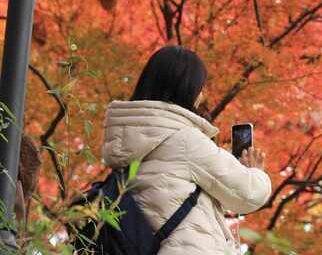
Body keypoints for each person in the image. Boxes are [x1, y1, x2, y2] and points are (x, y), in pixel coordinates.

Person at [101, 46, 271, 255]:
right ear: (187, 89)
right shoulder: (185, 140)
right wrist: (256, 172)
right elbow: (248, 193)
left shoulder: (124, 142)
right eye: (200, 87)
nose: (201, 94)